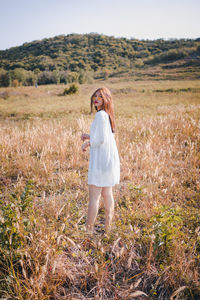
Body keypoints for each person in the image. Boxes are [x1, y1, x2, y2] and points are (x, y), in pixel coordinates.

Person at [81, 87, 120, 234]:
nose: (96, 99)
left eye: (100, 97)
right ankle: (108, 228)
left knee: (94, 198)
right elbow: (104, 138)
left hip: (101, 162)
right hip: (108, 161)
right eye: (95, 96)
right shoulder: (107, 115)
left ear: (106, 100)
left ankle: (88, 231)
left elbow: (101, 140)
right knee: (107, 194)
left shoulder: (100, 115)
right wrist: (89, 137)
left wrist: (89, 142)